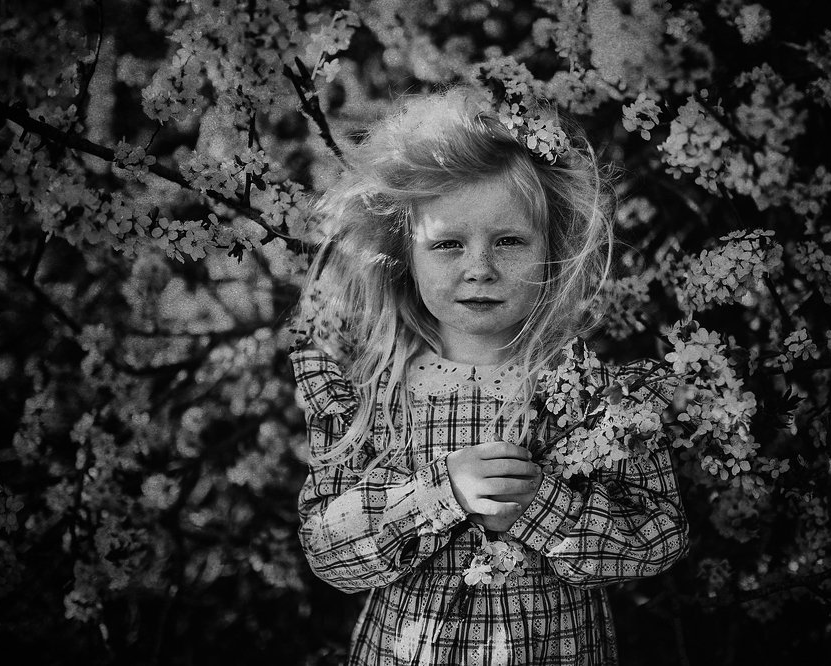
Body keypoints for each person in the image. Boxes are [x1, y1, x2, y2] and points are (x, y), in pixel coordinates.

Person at [289, 84, 689, 665]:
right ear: (406, 255)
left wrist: (541, 506)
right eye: (448, 244)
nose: (480, 268)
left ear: (552, 249)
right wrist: (438, 494)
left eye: (509, 241)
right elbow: (328, 551)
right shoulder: (369, 390)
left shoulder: (592, 393)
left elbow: (658, 538)